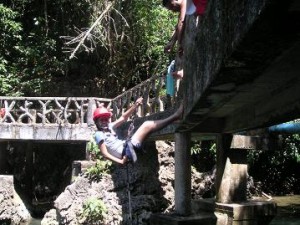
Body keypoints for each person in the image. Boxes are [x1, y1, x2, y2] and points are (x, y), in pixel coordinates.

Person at [93, 98, 183, 165]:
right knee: (147, 124)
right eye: (102, 120)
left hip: (127, 147)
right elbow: (105, 154)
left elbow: (123, 118)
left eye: (106, 119)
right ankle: (176, 116)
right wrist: (120, 162)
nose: (105, 122)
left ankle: (173, 120)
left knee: (147, 128)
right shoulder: (99, 134)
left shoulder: (110, 126)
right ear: (97, 122)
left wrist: (135, 106)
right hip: (126, 151)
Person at [163, 0, 207, 79]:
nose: (173, 10)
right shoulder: (183, 8)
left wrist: (179, 44)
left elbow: (181, 22)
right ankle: (185, 72)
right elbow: (178, 27)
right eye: (170, 9)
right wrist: (171, 43)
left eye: (172, 6)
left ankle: (184, 72)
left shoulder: (184, 2)